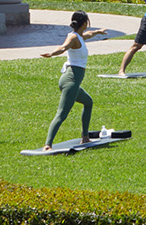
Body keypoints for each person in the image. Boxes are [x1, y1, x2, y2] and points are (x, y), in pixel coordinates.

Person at [40, 11, 108, 150]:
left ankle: (85, 137)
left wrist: (98, 32)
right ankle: (48, 144)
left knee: (88, 102)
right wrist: (52, 53)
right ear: (84, 23)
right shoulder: (73, 37)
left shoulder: (80, 36)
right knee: (61, 114)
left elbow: (89, 34)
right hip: (70, 81)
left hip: (73, 81)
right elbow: (63, 47)